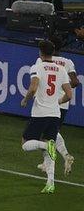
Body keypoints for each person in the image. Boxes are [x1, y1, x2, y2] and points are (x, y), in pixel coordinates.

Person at [20, 40, 73, 194]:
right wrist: (58, 102)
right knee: (50, 145)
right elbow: (69, 94)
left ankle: (45, 146)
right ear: (53, 52)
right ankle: (50, 183)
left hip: (40, 113)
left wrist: (25, 99)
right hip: (55, 114)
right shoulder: (61, 70)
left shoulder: (37, 67)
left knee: (25, 144)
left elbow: (34, 87)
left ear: (40, 52)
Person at [34, 36, 79, 176]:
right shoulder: (68, 62)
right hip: (62, 103)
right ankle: (63, 157)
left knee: (44, 135)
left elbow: (37, 79)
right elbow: (75, 82)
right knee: (52, 133)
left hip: (47, 102)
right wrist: (62, 86)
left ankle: (57, 159)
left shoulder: (43, 60)